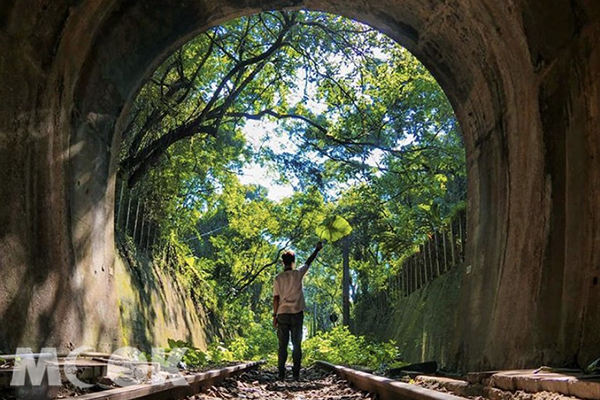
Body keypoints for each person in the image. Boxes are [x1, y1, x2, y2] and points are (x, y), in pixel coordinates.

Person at [272, 241, 323, 381]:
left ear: (283, 262)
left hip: (282, 313)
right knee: (296, 344)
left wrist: (274, 316)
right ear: (293, 262)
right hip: (296, 313)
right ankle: (295, 374)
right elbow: (309, 261)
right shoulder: (298, 274)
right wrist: (316, 249)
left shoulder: (278, 278)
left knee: (282, 345)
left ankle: (281, 374)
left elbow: (276, 299)